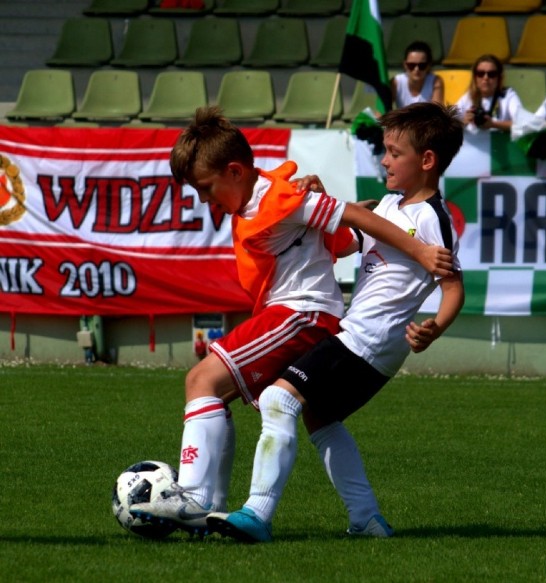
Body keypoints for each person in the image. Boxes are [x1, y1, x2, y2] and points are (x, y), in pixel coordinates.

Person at [129, 106, 455, 535]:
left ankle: (206, 500)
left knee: (215, 383)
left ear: (233, 171)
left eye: (206, 188)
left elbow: (357, 221)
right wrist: (321, 207)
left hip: (308, 315)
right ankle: (364, 518)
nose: (205, 200)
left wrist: (419, 258)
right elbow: (346, 236)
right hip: (323, 320)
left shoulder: (279, 198)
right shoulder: (370, 203)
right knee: (316, 416)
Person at [455, 54, 523, 133]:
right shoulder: (468, 97)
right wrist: (463, 122)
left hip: (499, 143)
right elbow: (446, 125)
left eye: (491, 74)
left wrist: (493, 124)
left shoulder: (508, 95)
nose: (486, 78)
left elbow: (522, 123)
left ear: (499, 78)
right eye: (480, 74)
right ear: (475, 78)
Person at [391, 40, 444, 109]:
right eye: (411, 65)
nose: (416, 69)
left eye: (422, 65)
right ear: (405, 65)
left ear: (429, 65)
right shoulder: (396, 82)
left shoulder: (435, 82)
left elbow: (436, 113)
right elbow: (384, 109)